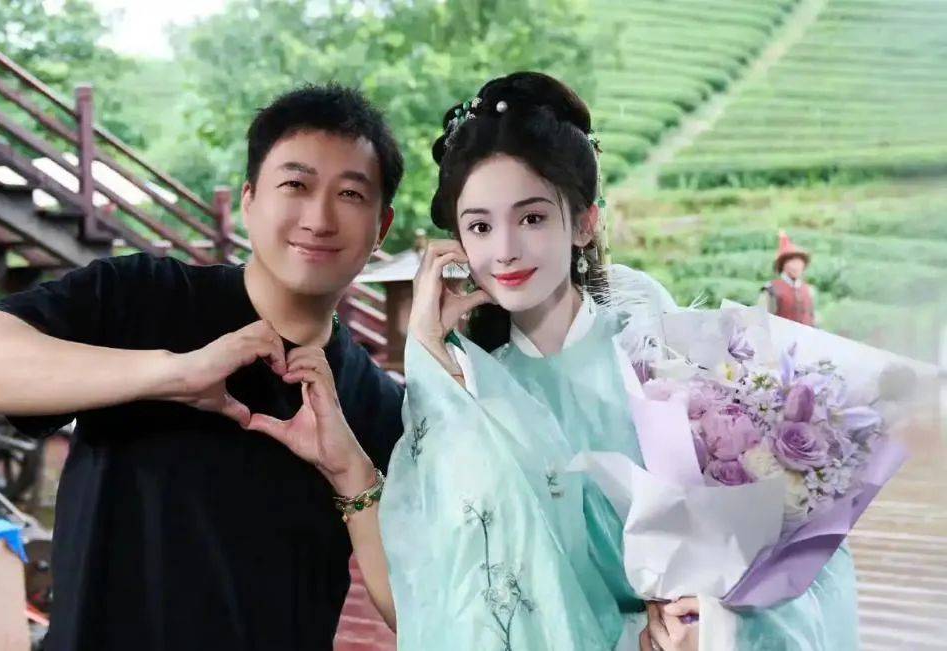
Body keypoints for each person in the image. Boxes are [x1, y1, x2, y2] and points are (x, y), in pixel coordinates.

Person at [260, 72, 860, 650]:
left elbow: (798, 573)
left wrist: (716, 627)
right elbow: (437, 596)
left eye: (532, 218)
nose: (505, 249)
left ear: (584, 221)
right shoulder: (463, 391)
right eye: (480, 226)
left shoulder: (673, 361)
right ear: (458, 243)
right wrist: (428, 352)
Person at [0, 83, 405, 650]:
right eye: (296, 185)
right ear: (249, 200)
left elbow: (415, 607)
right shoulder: (140, 297)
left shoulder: (379, 405)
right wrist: (174, 373)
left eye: (351, 194)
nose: (319, 218)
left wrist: (351, 474)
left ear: (381, 228)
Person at [759, 230, 817, 326]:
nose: (796, 266)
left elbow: (813, 319)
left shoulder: (809, 290)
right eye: (792, 262)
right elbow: (761, 320)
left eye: (799, 262)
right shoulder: (771, 289)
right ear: (783, 265)